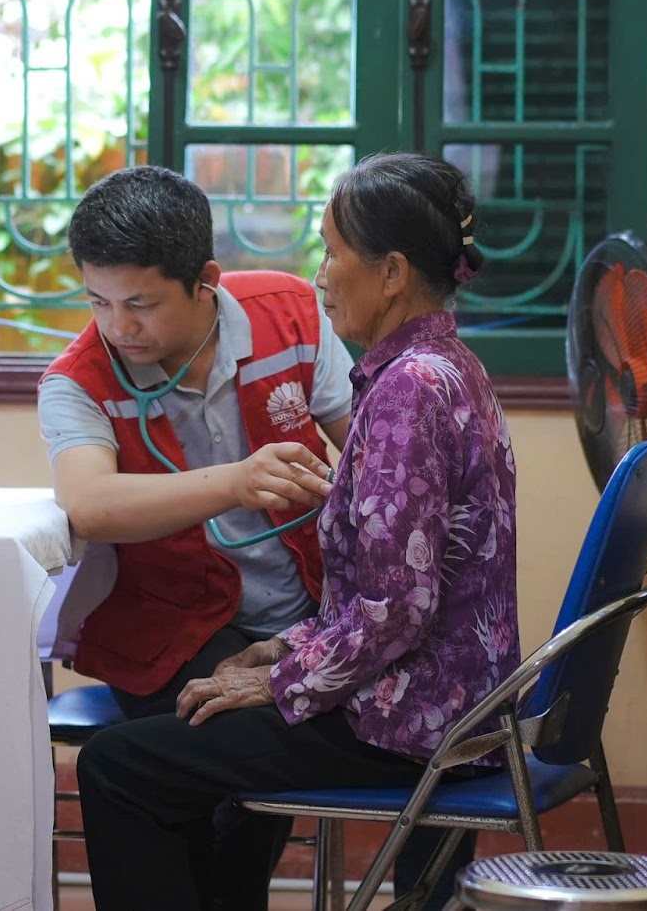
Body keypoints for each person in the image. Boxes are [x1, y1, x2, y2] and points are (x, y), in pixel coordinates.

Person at [73, 151, 520, 911]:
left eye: (333, 251)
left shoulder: (406, 391)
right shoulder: (447, 367)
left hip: (408, 715)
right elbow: (391, 591)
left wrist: (278, 680)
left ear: (392, 273)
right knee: (187, 728)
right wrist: (288, 646)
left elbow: (394, 611)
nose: (318, 274)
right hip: (451, 696)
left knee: (118, 767)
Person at [37, 164, 353, 902]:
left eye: (140, 304)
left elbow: (369, 450)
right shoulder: (76, 380)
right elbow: (88, 504)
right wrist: (236, 481)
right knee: (212, 755)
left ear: (205, 279)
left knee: (240, 776)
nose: (118, 327)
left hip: (306, 616)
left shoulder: (292, 313)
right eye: (98, 302)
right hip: (173, 632)